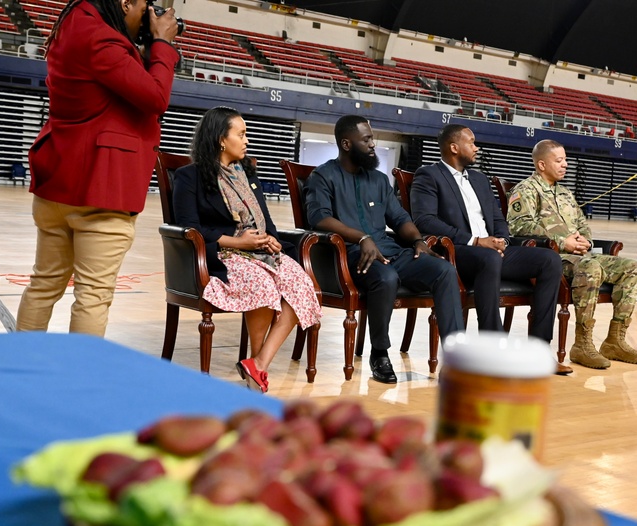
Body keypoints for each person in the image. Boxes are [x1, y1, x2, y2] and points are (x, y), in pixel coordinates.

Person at [16, 0, 180, 337]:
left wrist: (145, 45)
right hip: (100, 190)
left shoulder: (74, 25)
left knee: (44, 285)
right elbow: (155, 97)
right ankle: (79, 385)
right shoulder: (101, 38)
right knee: (93, 296)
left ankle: (23, 371)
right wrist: (162, 44)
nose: (145, 17)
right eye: (142, 8)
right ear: (125, 3)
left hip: (59, 184)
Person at [304, 115, 464, 384]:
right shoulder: (323, 176)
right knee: (386, 277)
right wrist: (362, 237)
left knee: (444, 270)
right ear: (346, 143)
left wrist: (417, 241)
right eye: (366, 139)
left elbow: (400, 218)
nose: (372, 144)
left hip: (390, 252)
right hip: (352, 256)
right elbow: (319, 218)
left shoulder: (378, 180)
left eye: (371, 138)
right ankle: (379, 353)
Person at [172, 107, 321, 392]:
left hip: (259, 250)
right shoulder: (188, 176)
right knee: (264, 285)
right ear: (220, 139)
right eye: (241, 134)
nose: (247, 140)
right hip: (223, 253)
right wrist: (239, 242)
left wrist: (271, 239)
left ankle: (258, 363)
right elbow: (189, 228)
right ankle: (256, 366)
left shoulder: (246, 173)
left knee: (302, 285)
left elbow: (265, 220)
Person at [410, 124, 570, 375]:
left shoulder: (479, 179)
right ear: (454, 147)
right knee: (488, 258)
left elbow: (497, 219)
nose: (476, 148)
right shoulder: (428, 175)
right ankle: (492, 350)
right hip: (459, 252)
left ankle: (539, 350)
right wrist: (475, 240)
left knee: (549, 259)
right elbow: (425, 221)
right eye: (471, 142)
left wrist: (503, 241)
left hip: (492, 251)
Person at [507, 139, 637, 369]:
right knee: (590, 268)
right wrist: (563, 242)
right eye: (559, 160)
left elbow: (582, 224)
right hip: (551, 258)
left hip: (578, 255)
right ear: (541, 165)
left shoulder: (565, 193)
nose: (565, 165)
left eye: (566, 160)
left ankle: (615, 340)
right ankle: (582, 344)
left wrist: (586, 241)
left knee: (632, 268)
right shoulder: (525, 190)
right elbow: (520, 227)